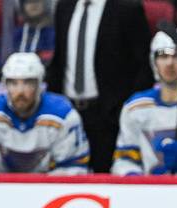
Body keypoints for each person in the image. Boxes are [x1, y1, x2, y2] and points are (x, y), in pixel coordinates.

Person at [46, 0, 152, 173]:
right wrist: (55, 107)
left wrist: (123, 110)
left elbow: (144, 66)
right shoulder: (64, 6)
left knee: (106, 183)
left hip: (108, 118)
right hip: (70, 115)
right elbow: (59, 60)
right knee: (65, 183)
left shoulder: (127, 8)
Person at [113, 28, 177, 175]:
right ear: (153, 61)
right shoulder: (136, 107)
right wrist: (135, 180)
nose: (169, 63)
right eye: (163, 56)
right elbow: (124, 159)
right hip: (151, 193)